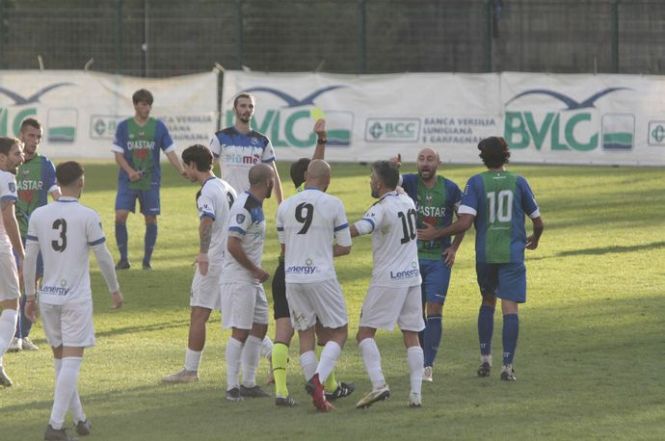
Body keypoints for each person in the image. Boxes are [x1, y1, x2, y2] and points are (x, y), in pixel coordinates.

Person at [417, 136, 543, 381]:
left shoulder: (476, 182)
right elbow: (538, 221)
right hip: (512, 254)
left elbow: (464, 222)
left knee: (487, 300)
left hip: (486, 254)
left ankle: (485, 359)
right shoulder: (519, 181)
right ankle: (507, 365)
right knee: (510, 307)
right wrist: (535, 238)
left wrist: (438, 233)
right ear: (507, 156)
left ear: (483, 158)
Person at [23, 161, 123, 440]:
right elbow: (103, 256)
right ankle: (55, 426)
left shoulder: (39, 215)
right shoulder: (87, 216)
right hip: (75, 299)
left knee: (62, 361)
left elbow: (30, 258)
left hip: (48, 297)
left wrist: (30, 296)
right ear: (81, 182)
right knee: (72, 362)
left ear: (57, 182)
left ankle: (79, 419)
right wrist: (114, 289)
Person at [270, 119, 353, 407]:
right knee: (339, 332)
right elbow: (345, 246)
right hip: (320, 275)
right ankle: (318, 379)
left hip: (291, 275)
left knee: (304, 334)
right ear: (327, 182)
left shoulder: (285, 205)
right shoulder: (333, 204)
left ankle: (319, 397)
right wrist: (320, 250)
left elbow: (285, 244)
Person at [209, 93, 284, 378]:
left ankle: (250, 371)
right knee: (229, 260)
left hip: (255, 207)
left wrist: (282, 204)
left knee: (239, 263)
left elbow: (272, 174)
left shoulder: (261, 140)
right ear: (234, 109)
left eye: (250, 106)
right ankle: (254, 358)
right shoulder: (221, 137)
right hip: (231, 207)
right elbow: (210, 168)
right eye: (243, 106)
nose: (247, 110)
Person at [351, 160, 425, 409]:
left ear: (380, 183)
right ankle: (416, 394)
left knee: (364, 333)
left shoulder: (381, 208)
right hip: (413, 278)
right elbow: (399, 186)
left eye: (372, 177)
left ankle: (379, 384)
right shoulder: (407, 201)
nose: (370, 181)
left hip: (388, 280)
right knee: (412, 335)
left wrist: (331, 229)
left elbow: (362, 227)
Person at [161, 145, 237, 384]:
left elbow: (206, 222)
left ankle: (190, 371)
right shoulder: (227, 187)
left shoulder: (207, 193)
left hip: (213, 260)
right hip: (231, 258)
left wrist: (203, 253)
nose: (185, 171)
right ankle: (271, 355)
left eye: (186, 166)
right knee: (237, 316)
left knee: (198, 313)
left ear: (193, 165)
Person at [396, 148, 465, 382]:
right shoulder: (409, 182)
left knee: (434, 310)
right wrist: (392, 167)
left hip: (438, 260)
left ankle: (428, 365)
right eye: (421, 159)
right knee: (416, 313)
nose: (425, 164)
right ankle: (419, 360)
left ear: (439, 163)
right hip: (412, 259)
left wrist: (453, 247)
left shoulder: (450, 188)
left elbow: (465, 220)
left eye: (430, 159)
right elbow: (380, 187)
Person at [112, 88, 185, 270]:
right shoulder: (124, 127)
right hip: (127, 180)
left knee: (151, 218)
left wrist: (182, 170)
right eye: (144, 104)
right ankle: (123, 259)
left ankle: (147, 261)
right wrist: (130, 171)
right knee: (120, 216)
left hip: (150, 180)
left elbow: (170, 152)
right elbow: (118, 155)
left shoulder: (158, 126)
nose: (147, 108)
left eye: (149, 105)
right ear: (135, 105)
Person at [221, 163, 274, 401]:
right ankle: (232, 388)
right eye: (272, 180)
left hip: (251, 278)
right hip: (240, 277)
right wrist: (255, 269)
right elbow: (232, 244)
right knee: (240, 331)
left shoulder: (256, 205)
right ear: (266, 182)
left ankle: (249, 383)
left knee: (260, 326)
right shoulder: (245, 206)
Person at [9, 118, 60, 352]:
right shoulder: (9, 164)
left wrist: (67, 204)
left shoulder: (45, 165)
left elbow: (55, 193)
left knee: (34, 283)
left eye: (39, 137)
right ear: (21, 135)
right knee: (17, 281)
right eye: (31, 136)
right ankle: (12, 334)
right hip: (12, 233)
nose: (35, 141)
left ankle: (23, 334)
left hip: (38, 236)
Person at [0, 137, 25, 387]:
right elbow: (9, 219)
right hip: (0, 248)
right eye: (16, 153)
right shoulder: (6, 178)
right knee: (11, 306)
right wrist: (22, 253)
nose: (22, 157)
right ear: (2, 157)